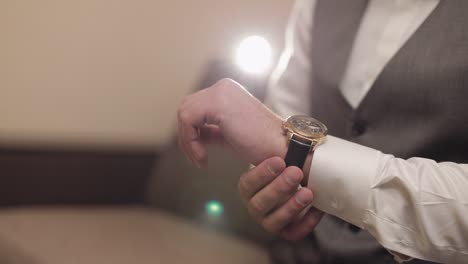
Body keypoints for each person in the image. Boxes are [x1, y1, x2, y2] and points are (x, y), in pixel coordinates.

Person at [177, 0, 468, 263]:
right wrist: (276, 191)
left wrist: (298, 154)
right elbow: (286, 113)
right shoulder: (315, 6)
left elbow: (277, 138)